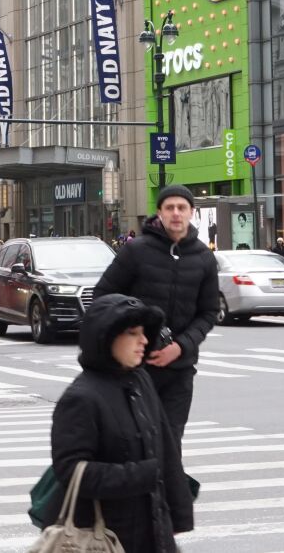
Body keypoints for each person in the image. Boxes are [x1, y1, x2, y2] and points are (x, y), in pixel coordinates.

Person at [49, 294, 194, 553]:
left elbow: (166, 450)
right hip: (106, 538)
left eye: (144, 333)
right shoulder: (81, 398)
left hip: (153, 531)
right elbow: (70, 472)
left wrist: (179, 513)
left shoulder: (140, 381)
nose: (144, 341)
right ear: (107, 338)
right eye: (133, 333)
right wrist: (139, 475)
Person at [91, 185, 217, 450]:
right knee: (135, 443)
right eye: (169, 207)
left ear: (191, 213)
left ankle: (167, 491)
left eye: (182, 208)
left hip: (179, 371)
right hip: (135, 368)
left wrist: (180, 346)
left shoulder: (204, 257)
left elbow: (208, 312)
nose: (175, 213)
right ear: (159, 213)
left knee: (170, 444)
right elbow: (103, 295)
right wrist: (132, 329)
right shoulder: (136, 251)